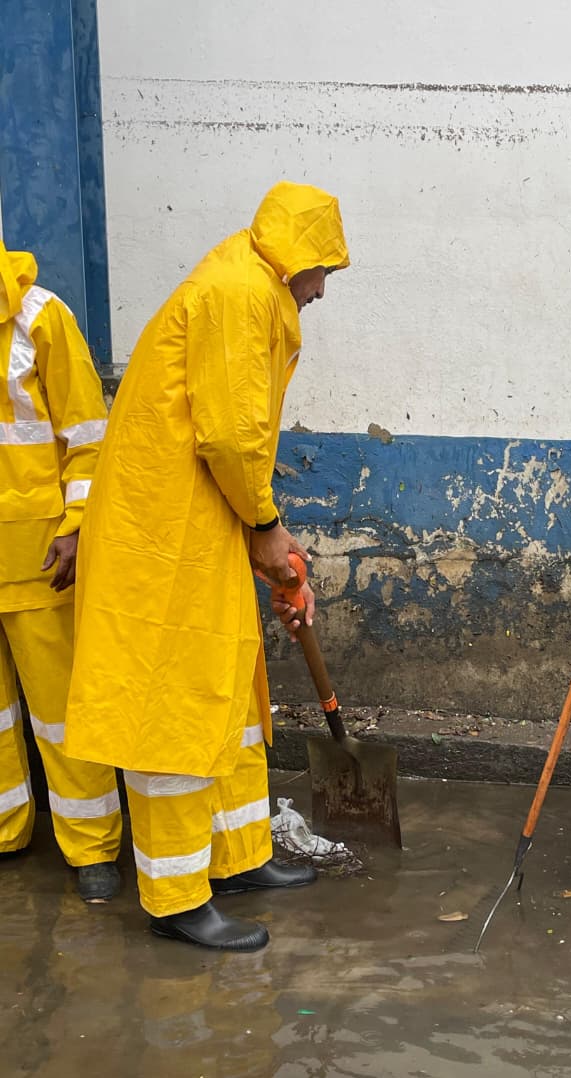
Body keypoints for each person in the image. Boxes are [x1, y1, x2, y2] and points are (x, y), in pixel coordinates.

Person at [65, 182, 350, 951]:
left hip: (199, 521)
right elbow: (230, 436)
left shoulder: (247, 285)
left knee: (227, 683)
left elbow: (234, 440)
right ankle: (176, 897)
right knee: (177, 704)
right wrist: (264, 523)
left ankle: (237, 853)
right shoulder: (235, 292)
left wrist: (269, 543)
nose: (323, 289)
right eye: (324, 270)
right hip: (166, 535)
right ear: (296, 258)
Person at [0, 240, 122, 899]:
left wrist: (76, 529)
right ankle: (4, 832)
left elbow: (87, 436)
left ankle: (92, 849)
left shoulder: (42, 319)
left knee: (61, 711)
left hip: (37, 558)